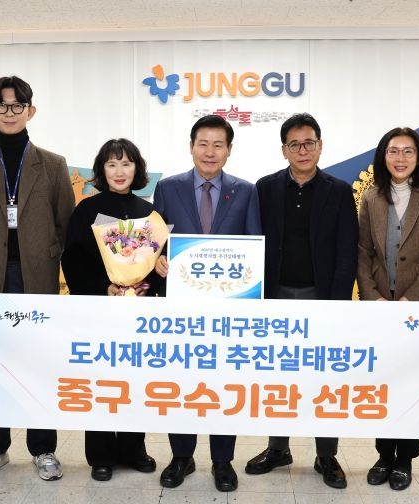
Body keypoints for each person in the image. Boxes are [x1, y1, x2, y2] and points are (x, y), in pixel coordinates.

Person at [0, 75, 75, 483]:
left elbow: (64, 222)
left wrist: (45, 254)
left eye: (17, 105)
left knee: (37, 363)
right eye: (2, 105)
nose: (10, 112)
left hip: (35, 275)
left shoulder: (53, 164)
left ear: (30, 111)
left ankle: (43, 448)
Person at [245, 113, 358, 489]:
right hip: (275, 296)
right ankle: (278, 448)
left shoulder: (339, 191)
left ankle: (326, 455)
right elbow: (254, 242)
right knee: (278, 375)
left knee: (324, 378)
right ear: (284, 150)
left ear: (320, 146)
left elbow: (347, 251)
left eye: (309, 142)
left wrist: (336, 304)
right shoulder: (265, 188)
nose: (302, 150)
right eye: (294, 144)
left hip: (320, 297)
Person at [153, 114, 261, 492]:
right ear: (191, 147)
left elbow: (254, 247)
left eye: (218, 145)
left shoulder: (246, 191)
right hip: (180, 309)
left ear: (229, 150)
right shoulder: (168, 188)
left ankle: (222, 461)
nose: (210, 152)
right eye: (203, 144)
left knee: (224, 384)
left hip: (228, 310)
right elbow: (156, 242)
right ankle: (181, 456)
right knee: (181, 382)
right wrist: (157, 260)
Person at [357, 127, 419, 491]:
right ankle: (384, 455)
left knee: (414, 384)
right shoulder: (371, 197)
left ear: (418, 157)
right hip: (381, 307)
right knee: (384, 382)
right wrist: (374, 297)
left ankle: (404, 459)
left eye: (408, 151)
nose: (400, 158)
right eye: (393, 151)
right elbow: (363, 251)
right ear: (383, 156)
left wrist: (411, 300)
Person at [61, 138, 158, 481]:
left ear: (137, 169)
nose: (119, 171)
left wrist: (143, 285)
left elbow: (157, 263)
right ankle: (101, 455)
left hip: (137, 312)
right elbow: (73, 260)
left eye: (126, 163)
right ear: (102, 170)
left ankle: (133, 449)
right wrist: (106, 286)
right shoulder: (87, 210)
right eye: (112, 164)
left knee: (134, 381)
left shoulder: (148, 212)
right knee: (101, 382)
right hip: (98, 311)